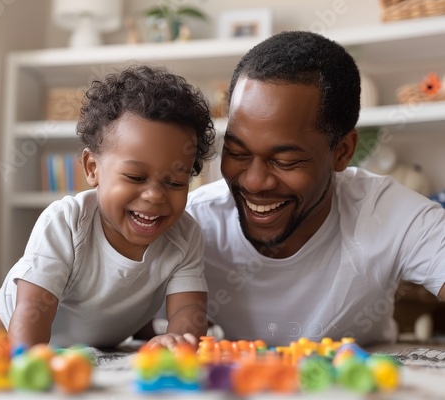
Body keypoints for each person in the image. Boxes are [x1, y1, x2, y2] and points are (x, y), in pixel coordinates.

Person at [186, 31, 445, 347]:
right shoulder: (193, 222)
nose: (254, 182)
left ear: (343, 152)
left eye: (285, 160)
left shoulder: (385, 212)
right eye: (238, 153)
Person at [0, 65, 215, 349]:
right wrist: (29, 361)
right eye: (136, 177)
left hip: (103, 329)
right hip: (12, 319)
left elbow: (188, 311)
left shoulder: (185, 235)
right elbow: (32, 309)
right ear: (92, 168)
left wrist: (179, 340)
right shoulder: (66, 222)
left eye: (175, 183)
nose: (155, 196)